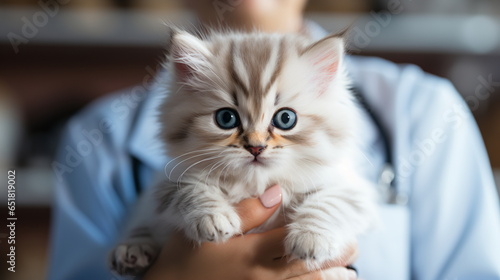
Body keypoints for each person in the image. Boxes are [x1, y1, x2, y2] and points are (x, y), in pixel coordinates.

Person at [48, 0, 500, 279]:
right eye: (229, 118)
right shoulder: (96, 138)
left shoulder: (423, 110)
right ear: (186, 77)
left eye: (282, 118)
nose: (257, 141)